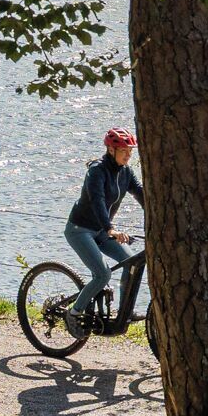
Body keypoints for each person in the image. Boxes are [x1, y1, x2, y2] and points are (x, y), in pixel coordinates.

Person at [65, 128, 145, 320]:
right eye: (124, 151)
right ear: (111, 150)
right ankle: (74, 313)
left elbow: (140, 193)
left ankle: (125, 313)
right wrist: (111, 229)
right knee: (102, 274)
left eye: (130, 151)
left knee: (132, 263)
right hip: (80, 230)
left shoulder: (126, 172)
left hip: (102, 230)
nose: (128, 155)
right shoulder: (97, 171)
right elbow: (97, 201)